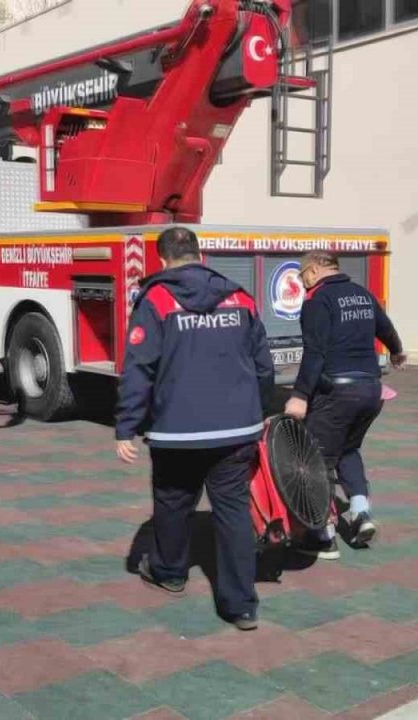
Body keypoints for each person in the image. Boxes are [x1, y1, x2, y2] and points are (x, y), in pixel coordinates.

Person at [115, 226, 275, 631]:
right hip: (237, 431)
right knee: (234, 511)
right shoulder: (239, 295)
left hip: (176, 432)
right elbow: (263, 364)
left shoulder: (156, 298)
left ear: (163, 260)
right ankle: (241, 606)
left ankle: (169, 572)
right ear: (201, 256)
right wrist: (257, 411)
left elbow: (139, 368)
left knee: (172, 502)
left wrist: (126, 427)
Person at [284, 250, 406, 559]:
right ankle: (361, 512)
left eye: (301, 276)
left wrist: (299, 395)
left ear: (312, 271)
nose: (302, 283)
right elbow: (386, 328)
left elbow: (315, 353)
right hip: (371, 391)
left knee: (317, 459)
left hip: (337, 392)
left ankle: (323, 536)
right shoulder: (362, 295)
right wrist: (396, 351)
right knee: (348, 450)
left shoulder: (317, 302)